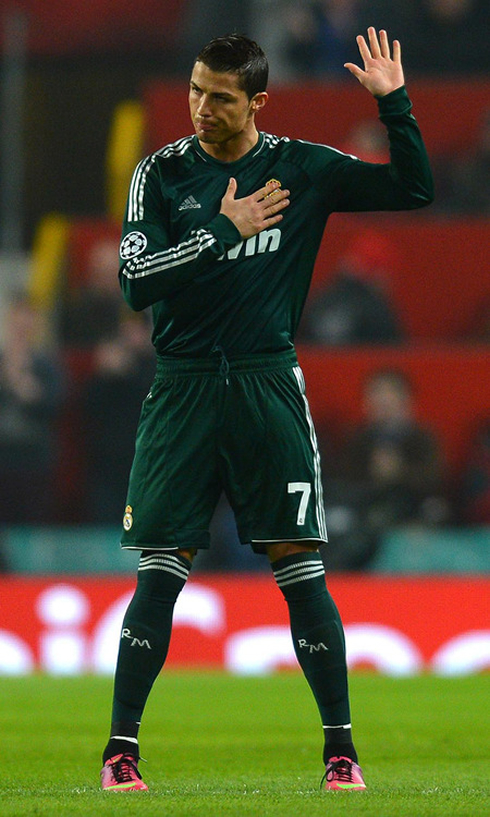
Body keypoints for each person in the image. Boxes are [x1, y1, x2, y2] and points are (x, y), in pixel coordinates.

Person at [99, 30, 433, 793]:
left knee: (301, 567)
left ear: (257, 102)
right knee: (161, 569)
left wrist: (395, 105)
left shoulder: (299, 167)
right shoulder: (161, 173)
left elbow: (413, 190)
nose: (201, 108)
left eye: (219, 96)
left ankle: (341, 755)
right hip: (181, 387)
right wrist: (224, 230)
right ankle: (121, 754)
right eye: (194, 90)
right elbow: (134, 280)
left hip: (264, 384)